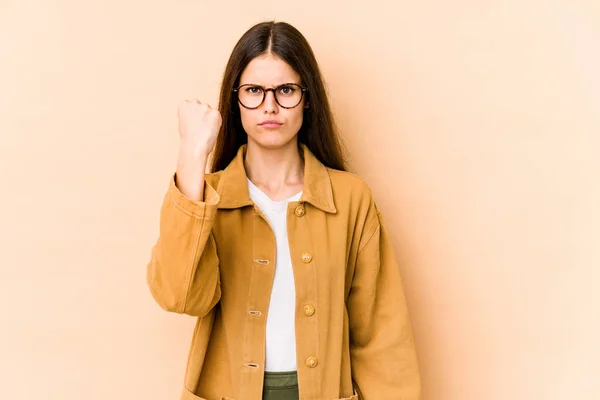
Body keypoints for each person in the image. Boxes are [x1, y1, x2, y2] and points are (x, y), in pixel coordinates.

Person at [147, 20, 421, 400]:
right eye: (254, 91)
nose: (270, 106)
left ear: (307, 98)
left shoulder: (350, 199)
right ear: (235, 99)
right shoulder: (205, 199)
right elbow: (180, 296)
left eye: (286, 90)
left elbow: (381, 336)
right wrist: (192, 156)